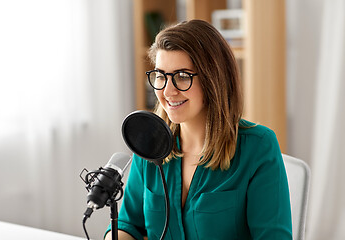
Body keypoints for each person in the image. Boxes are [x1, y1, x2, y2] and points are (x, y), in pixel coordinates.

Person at [105, 19, 292, 240]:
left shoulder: (258, 146)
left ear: (213, 80)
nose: (168, 91)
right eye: (161, 76)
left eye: (182, 76)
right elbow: (129, 225)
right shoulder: (149, 141)